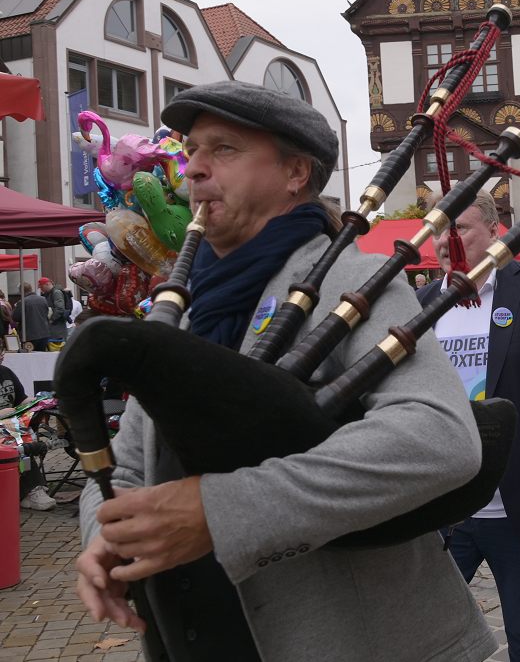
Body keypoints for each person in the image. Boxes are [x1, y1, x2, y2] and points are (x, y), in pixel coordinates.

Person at [75, 81, 496, 661]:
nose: (193, 169)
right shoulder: (186, 312)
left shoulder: (353, 278)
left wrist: (219, 513)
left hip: (356, 641)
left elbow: (439, 436)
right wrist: (107, 537)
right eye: (191, 150)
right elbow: (129, 463)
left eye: (223, 149)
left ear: (296, 172)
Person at [418, 190, 520, 662]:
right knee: (426, 641)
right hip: (443, 510)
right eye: (439, 230)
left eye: (460, 228)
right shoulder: (420, 303)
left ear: (494, 231)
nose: (446, 240)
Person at [0, 349, 55, 510]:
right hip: (7, 429)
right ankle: (32, 490)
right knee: (16, 440)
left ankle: (25, 491)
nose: (1, 354)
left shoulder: (6, 372)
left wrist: (40, 401)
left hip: (11, 425)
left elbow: (21, 400)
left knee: (19, 435)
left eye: (1, 349)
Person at [12, 282, 49, 351]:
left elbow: (15, 317)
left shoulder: (22, 302)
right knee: (42, 355)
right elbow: (46, 313)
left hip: (29, 335)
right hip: (44, 334)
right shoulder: (43, 299)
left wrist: (15, 308)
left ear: (21, 291)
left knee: (29, 356)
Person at [39, 276, 68, 346]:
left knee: (56, 347)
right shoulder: (49, 293)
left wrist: (52, 319)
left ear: (47, 284)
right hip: (55, 327)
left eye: (42, 287)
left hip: (57, 328)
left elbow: (60, 309)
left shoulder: (56, 293)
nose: (41, 289)